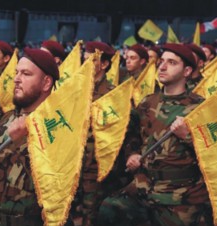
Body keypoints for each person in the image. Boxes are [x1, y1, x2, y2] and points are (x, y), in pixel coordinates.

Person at [97, 43, 212, 225]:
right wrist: (132, 154)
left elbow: (216, 152)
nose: (163, 67)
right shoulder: (147, 102)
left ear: (187, 71)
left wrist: (187, 136)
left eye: (172, 63)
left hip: (180, 194)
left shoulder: (200, 108)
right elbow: (131, 136)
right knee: (109, 209)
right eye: (162, 61)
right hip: (144, 186)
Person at [0, 48, 60, 226]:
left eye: (26, 74)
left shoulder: (55, 127)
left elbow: (57, 186)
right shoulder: (8, 117)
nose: (17, 79)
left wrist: (20, 139)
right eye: (16, 72)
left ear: (46, 83)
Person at [80, 41, 125, 226]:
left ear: (104, 64)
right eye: (84, 59)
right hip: (72, 164)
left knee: (91, 215)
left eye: (91, 59)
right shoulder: (76, 91)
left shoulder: (113, 96)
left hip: (94, 166)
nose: (85, 64)